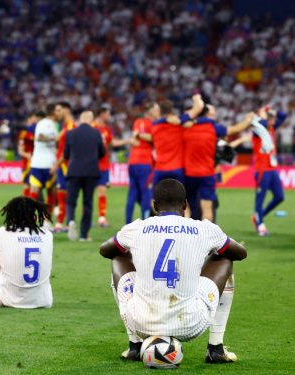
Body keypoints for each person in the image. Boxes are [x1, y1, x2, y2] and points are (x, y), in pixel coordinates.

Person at [99, 179, 245, 364]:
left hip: (140, 323)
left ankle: (135, 346)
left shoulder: (136, 228)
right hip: (190, 324)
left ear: (154, 205)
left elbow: (104, 250)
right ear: (185, 205)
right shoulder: (205, 229)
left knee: (118, 256)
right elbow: (241, 253)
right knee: (225, 258)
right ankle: (215, 348)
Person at [184, 104, 252, 221]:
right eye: (212, 114)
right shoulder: (213, 128)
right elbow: (236, 130)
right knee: (208, 206)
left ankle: (185, 234)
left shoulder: (185, 127)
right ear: (206, 114)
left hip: (188, 172)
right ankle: (208, 235)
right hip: (207, 173)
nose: (214, 116)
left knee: (186, 206)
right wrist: (248, 119)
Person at [63, 111, 105, 241]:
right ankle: (83, 235)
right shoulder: (96, 133)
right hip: (90, 172)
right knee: (88, 203)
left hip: (74, 171)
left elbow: (66, 155)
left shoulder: (70, 133)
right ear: (91, 120)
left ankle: (70, 220)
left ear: (80, 119)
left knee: (71, 200)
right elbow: (102, 153)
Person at [248, 107, 287, 236]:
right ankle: (260, 226)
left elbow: (284, 115)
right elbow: (262, 123)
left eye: (273, 118)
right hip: (262, 170)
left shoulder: (271, 128)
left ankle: (258, 216)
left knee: (279, 197)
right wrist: (263, 113)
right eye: (271, 118)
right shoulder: (257, 129)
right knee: (260, 198)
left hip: (272, 168)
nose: (274, 120)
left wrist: (272, 109)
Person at [93, 107, 132, 227]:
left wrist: (128, 141)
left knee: (102, 191)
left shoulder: (106, 129)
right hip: (91, 164)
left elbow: (113, 143)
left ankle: (102, 218)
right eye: (108, 114)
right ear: (102, 114)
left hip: (104, 165)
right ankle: (87, 219)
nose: (109, 116)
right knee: (88, 193)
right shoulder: (92, 127)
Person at [125, 102, 158, 223]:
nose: (158, 112)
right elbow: (153, 138)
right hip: (145, 162)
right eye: (156, 110)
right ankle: (145, 222)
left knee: (132, 193)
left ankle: (127, 223)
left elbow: (135, 137)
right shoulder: (153, 124)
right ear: (150, 112)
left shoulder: (138, 122)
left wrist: (137, 136)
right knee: (146, 193)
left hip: (133, 162)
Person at [52, 102, 76, 232]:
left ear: (66, 110)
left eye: (59, 110)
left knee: (66, 195)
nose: (57, 113)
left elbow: (68, 150)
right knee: (62, 194)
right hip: (63, 165)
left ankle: (64, 223)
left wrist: (56, 165)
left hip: (67, 166)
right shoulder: (65, 127)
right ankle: (62, 223)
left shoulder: (71, 127)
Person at [27, 105, 58, 202]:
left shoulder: (52, 124)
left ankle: (44, 215)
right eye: (57, 110)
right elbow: (39, 137)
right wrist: (55, 139)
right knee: (38, 189)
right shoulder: (45, 123)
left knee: (49, 190)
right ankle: (35, 214)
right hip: (43, 163)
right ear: (53, 112)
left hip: (46, 162)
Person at [17, 114, 37, 198]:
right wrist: (27, 155)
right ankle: (22, 205)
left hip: (37, 162)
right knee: (28, 185)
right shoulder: (24, 134)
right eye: (33, 118)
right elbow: (20, 151)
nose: (35, 120)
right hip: (28, 163)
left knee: (33, 186)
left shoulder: (37, 131)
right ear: (29, 119)